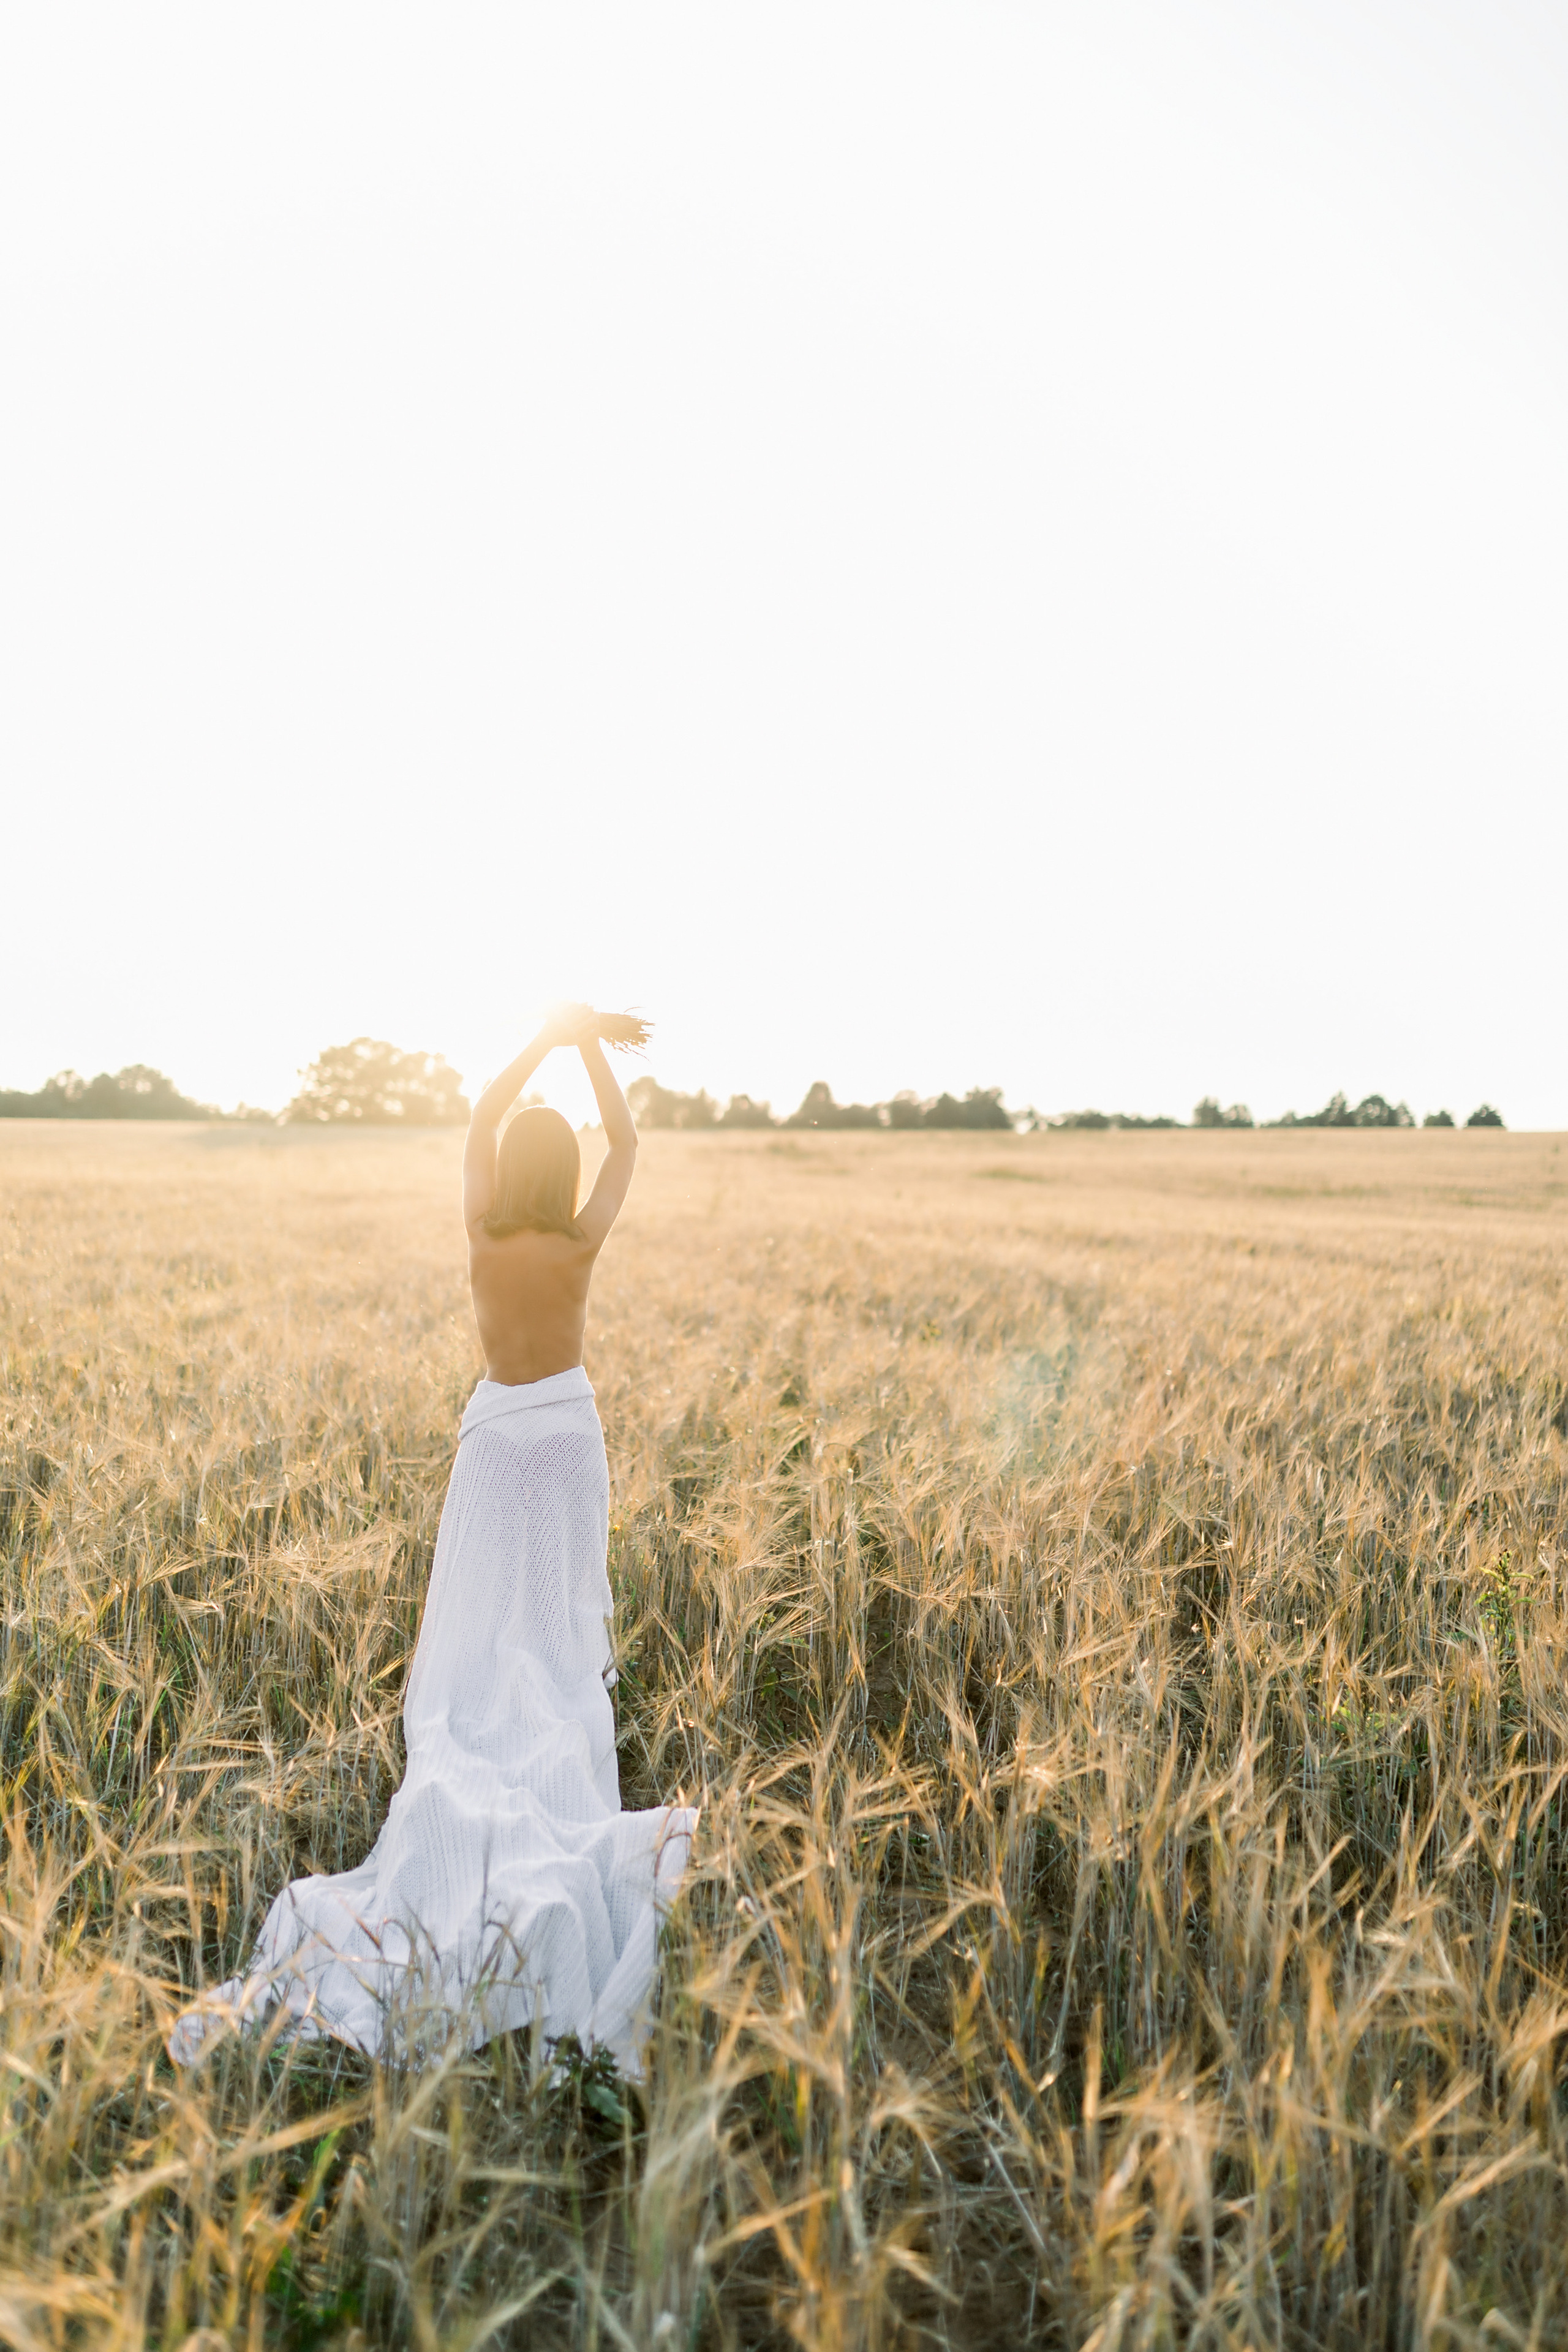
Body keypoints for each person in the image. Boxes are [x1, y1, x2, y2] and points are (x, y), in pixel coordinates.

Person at [168, 1005, 695, 2071]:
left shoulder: (484, 1232)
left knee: (484, 1613)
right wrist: (592, 1051)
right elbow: (627, 1143)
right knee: (556, 1617)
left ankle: (481, 1734)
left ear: (508, 1168)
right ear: (565, 1173)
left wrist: (551, 1039)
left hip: (498, 1434)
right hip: (567, 1432)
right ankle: (551, 1725)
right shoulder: (579, 1237)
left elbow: (482, 1111)